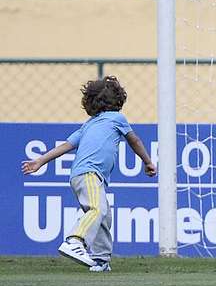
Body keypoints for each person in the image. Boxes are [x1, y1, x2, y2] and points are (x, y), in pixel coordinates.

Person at [21, 76, 157, 272]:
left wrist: (41, 160)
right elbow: (134, 140)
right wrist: (148, 161)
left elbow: (66, 145)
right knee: (96, 210)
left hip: (81, 175)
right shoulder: (117, 118)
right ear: (118, 100)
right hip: (89, 174)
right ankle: (74, 240)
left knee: (103, 216)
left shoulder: (88, 125)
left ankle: (101, 259)